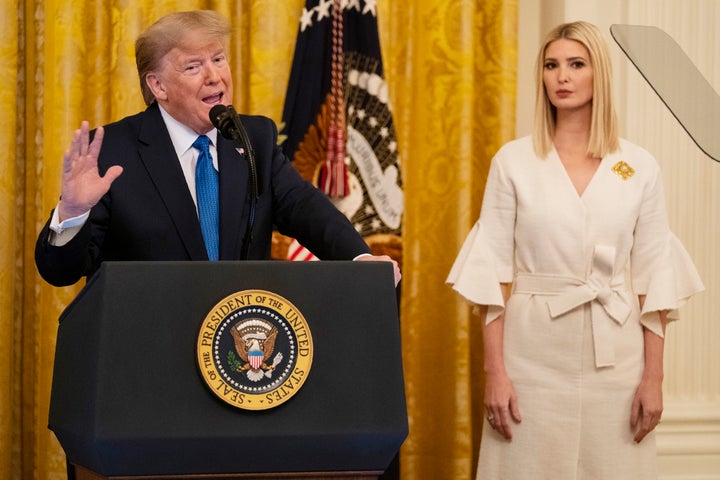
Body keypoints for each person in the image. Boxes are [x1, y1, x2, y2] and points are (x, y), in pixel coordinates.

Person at [447, 21, 703, 479]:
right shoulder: (513, 162)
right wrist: (495, 373)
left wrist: (654, 377)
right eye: (551, 65)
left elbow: (653, 280)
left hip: (617, 361)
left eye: (575, 64)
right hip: (530, 358)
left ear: (597, 75)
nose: (561, 76)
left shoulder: (638, 166)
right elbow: (493, 276)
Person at [34, 10, 400, 288]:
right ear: (158, 86)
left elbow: (304, 207)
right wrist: (73, 212)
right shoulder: (114, 151)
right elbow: (60, 273)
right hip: (146, 355)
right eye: (193, 66)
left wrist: (359, 256)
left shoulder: (254, 137)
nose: (214, 76)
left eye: (218, 59)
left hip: (236, 353)